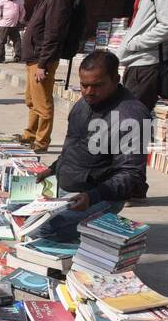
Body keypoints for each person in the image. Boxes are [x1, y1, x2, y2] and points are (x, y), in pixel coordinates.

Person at [29, 51, 149, 241]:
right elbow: (77, 146)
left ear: (116, 79)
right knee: (17, 216)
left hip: (99, 196)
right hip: (69, 189)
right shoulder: (85, 102)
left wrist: (92, 197)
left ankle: (89, 238)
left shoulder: (131, 116)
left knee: (41, 232)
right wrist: (52, 169)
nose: (89, 91)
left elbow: (131, 174)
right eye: (84, 85)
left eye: (97, 85)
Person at [19, 0, 73, 153]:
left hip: (42, 59)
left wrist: (43, 63)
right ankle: (30, 134)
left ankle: (41, 142)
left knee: (43, 103)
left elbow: (53, 33)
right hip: (34, 57)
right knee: (31, 100)